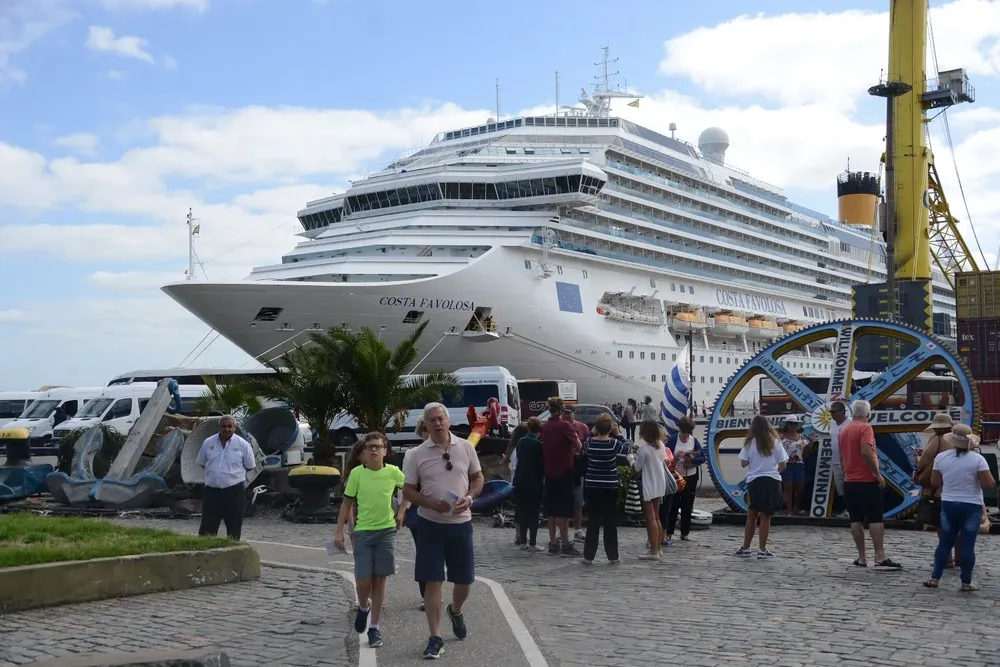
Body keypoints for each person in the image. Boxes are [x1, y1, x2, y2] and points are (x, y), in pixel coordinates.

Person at [403, 402, 484, 660]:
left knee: (464, 581)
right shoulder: (415, 454)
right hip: (430, 524)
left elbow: (478, 478)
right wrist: (429, 503)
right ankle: (435, 637)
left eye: (441, 419)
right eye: (432, 421)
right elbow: (408, 491)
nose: (437, 424)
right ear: (425, 425)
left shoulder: (466, 447)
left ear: (448, 421)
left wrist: (470, 498)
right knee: (432, 579)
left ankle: (456, 610)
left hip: (461, 524)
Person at [334, 432, 404, 648]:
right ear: (364, 452)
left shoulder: (393, 472)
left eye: (378, 446)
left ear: (385, 451)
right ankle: (364, 606)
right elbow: (346, 503)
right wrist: (339, 532)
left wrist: (402, 510)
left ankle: (374, 627)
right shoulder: (357, 473)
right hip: (363, 532)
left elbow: (409, 489)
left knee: (380, 578)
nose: (374, 450)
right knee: (364, 580)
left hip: (386, 531)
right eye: (370, 447)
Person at [925, 424, 995, 592]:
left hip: (949, 503)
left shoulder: (941, 458)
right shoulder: (978, 459)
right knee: (968, 544)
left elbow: (935, 482)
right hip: (971, 505)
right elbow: (989, 484)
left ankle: (935, 578)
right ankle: (966, 582)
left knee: (945, 542)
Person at [839, 400, 902, 569]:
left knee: (855, 519)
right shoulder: (866, 428)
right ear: (868, 414)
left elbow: (841, 456)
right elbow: (866, 451)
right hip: (867, 480)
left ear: (852, 413)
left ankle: (861, 557)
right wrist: (878, 475)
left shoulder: (843, 430)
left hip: (850, 481)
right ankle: (879, 555)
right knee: (875, 518)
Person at [580, 414, 632, 564]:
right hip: (609, 484)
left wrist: (593, 431)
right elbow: (628, 448)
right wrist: (618, 433)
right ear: (610, 428)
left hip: (592, 484)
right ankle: (612, 555)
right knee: (610, 521)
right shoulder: (614, 444)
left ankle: (589, 555)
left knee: (593, 520)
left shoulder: (589, 442)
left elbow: (585, 446)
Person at [195, 415, 256, 541]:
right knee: (208, 526)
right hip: (212, 491)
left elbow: (250, 466)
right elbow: (202, 462)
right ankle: (205, 553)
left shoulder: (243, 445)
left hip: (234, 491)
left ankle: (232, 553)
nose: (226, 429)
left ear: (234, 428)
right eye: (224, 426)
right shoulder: (208, 442)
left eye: (230, 426)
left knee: (234, 525)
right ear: (219, 427)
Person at [735, 415, 787, 558]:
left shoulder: (750, 443)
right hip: (772, 480)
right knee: (766, 517)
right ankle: (762, 549)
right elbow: (783, 465)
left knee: (751, 515)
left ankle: (745, 547)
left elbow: (743, 463)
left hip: (755, 481)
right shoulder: (776, 442)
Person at [540, 397, 583, 556]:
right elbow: (578, 446)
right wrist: (572, 450)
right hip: (564, 470)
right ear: (561, 410)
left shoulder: (544, 427)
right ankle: (565, 544)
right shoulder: (565, 426)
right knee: (563, 511)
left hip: (549, 471)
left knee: (551, 510)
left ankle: (553, 543)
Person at [914, 413, 958, 565]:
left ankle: (947, 558)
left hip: (939, 487)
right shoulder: (958, 440)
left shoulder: (937, 439)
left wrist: (918, 460)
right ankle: (960, 557)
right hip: (957, 487)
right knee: (956, 525)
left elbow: (925, 460)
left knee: (942, 524)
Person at [399, 417, 430, 610]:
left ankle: (434, 590)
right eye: (425, 429)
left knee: (437, 551)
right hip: (418, 508)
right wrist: (403, 509)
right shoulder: (412, 455)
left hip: (440, 508)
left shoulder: (448, 451)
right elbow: (407, 486)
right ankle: (426, 595)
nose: (429, 432)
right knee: (423, 551)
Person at [665, 416, 705, 544]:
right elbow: (665, 457)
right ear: (680, 430)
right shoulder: (672, 440)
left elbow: (703, 457)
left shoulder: (694, 441)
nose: (686, 436)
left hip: (690, 476)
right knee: (673, 505)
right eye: (684, 433)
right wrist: (676, 457)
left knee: (688, 505)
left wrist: (692, 460)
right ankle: (669, 532)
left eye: (688, 433)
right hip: (676, 476)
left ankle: (685, 532)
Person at [632, 420, 667, 561]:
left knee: (650, 519)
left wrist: (630, 457)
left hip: (648, 484)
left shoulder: (644, 449)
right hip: (659, 484)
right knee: (657, 517)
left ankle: (653, 551)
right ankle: (658, 548)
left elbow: (636, 468)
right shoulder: (661, 445)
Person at [512, 417, 545, 552]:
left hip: (521, 481)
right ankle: (533, 543)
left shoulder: (520, 442)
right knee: (534, 513)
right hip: (534, 482)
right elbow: (541, 464)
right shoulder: (538, 444)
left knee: (523, 511)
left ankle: (523, 542)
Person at [563, 406, 591, 541]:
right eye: (564, 414)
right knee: (563, 501)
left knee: (578, 502)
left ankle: (578, 530)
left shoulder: (583, 427)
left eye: (569, 413)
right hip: (562, 468)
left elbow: (587, 446)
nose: (567, 416)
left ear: (574, 414)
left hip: (577, 469)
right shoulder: (560, 427)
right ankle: (561, 531)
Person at [779, 416, 814, 515]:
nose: (793, 426)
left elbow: (806, 452)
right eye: (791, 423)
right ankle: (789, 511)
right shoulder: (781, 437)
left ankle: (797, 507)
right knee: (788, 488)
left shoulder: (801, 437)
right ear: (787, 424)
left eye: (795, 424)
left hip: (799, 465)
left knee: (800, 489)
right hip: (786, 465)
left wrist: (811, 442)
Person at [502, 422, 530, 546]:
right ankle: (521, 535)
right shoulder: (520, 449)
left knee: (519, 510)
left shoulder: (512, 449)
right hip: (521, 482)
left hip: (514, 483)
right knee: (524, 510)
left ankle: (518, 535)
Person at [828, 401, 849, 515]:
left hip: (848, 461)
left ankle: (852, 509)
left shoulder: (850, 423)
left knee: (849, 485)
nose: (831, 414)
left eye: (833, 412)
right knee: (840, 487)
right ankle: (844, 509)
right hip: (835, 460)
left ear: (842, 411)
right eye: (830, 412)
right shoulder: (832, 423)